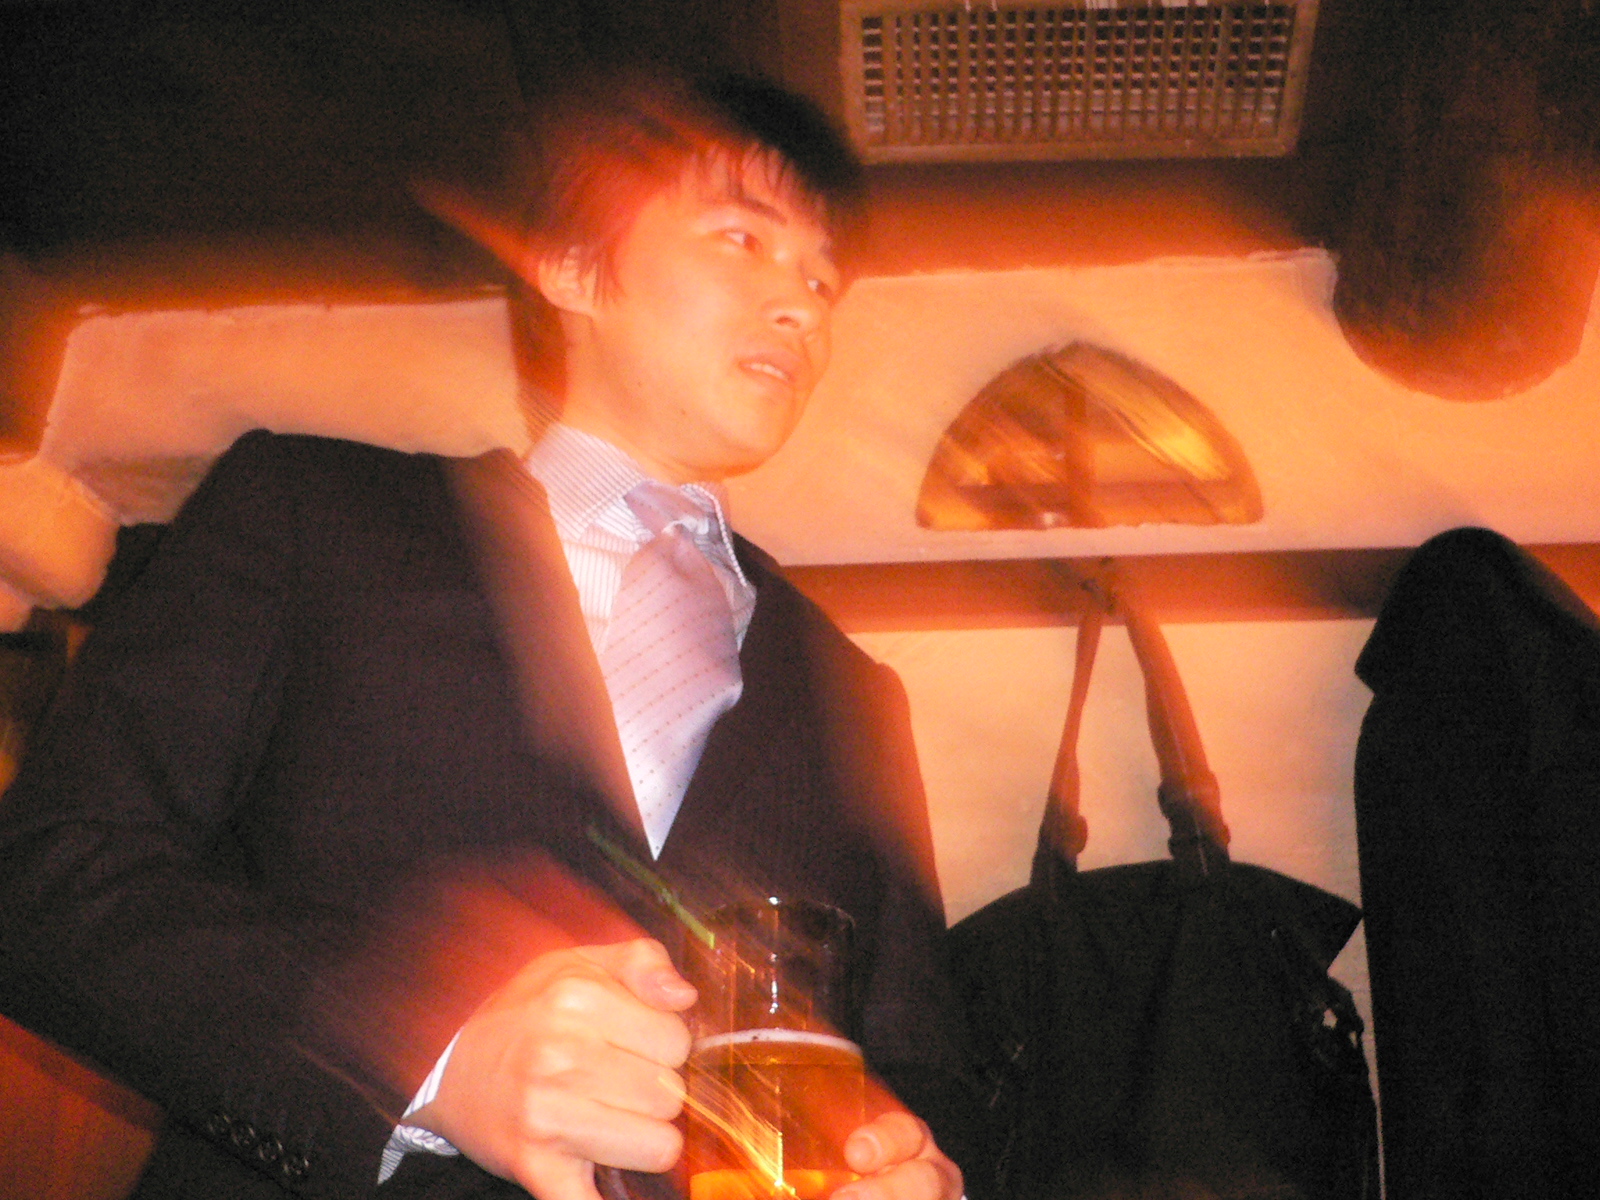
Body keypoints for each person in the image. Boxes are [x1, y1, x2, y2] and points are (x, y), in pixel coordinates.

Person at [0, 72, 971, 1200]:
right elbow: (48, 875)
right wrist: (434, 1056)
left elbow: (923, 1058)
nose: (804, 306)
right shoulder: (307, 511)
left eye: (822, 277)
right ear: (571, 267)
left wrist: (919, 1167)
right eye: (741, 239)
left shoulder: (856, 690)